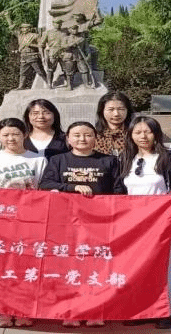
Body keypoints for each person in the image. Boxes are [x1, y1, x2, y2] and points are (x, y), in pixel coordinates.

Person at [119, 115, 171, 330]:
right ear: (130, 135)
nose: (143, 136)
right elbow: (117, 189)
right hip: (132, 224)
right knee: (135, 268)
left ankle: (165, 311)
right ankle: (138, 310)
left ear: (156, 134)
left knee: (165, 267)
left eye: (148, 131)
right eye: (137, 132)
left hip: (162, 222)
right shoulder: (124, 158)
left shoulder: (169, 157)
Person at [39, 121, 121, 328]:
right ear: (68, 139)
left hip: (99, 223)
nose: (82, 139)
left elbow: (119, 191)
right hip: (67, 223)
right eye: (76, 135)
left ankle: (96, 310)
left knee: (97, 268)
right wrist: (72, 187)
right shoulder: (58, 160)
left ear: (95, 138)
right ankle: (71, 311)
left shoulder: (109, 161)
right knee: (70, 268)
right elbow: (45, 184)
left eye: (87, 135)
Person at [0, 118, 48, 328]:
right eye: (5, 135)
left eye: (15, 134)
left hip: (29, 221)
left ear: (25, 135)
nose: (11, 138)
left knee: (26, 267)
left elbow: (44, 190)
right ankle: (1, 310)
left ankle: (24, 309)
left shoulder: (37, 159)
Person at [95, 91, 135, 156]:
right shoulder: (93, 135)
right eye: (111, 109)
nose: (116, 114)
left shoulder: (135, 134)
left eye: (121, 109)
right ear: (102, 111)